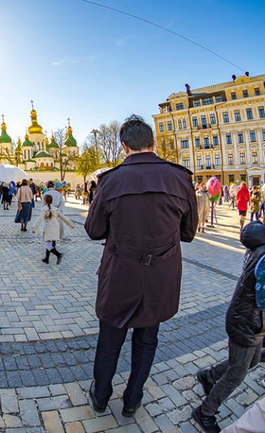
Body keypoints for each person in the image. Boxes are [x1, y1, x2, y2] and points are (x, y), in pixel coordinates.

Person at [84, 115, 197, 418]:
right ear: (153, 143)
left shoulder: (111, 180)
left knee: (110, 340)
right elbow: (188, 233)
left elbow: (94, 230)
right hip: (161, 276)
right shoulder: (180, 178)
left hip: (120, 274)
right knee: (147, 340)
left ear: (124, 146)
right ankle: (133, 399)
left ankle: (100, 396)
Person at [193, 221, 265, 432]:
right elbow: (262, 298)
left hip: (252, 321)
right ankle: (205, 412)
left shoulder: (260, 248)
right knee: (236, 373)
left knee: (251, 361)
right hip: (246, 322)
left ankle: (209, 376)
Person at [32, 194, 75, 264]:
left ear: (45, 201)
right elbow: (63, 217)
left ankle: (59, 255)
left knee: (48, 244)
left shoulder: (44, 209)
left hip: (49, 228)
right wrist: (71, 224)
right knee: (50, 243)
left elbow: (39, 219)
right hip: (56, 228)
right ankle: (46, 259)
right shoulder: (55, 209)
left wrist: (34, 228)